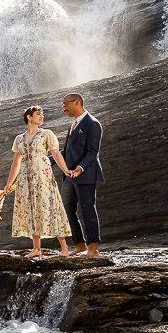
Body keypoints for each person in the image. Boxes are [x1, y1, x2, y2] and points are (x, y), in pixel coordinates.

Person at [4, 105, 73, 259]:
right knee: (31, 210)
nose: (42, 117)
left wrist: (66, 170)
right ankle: (36, 249)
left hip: (43, 177)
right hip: (25, 179)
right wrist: (9, 184)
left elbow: (55, 154)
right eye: (38, 114)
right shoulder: (19, 139)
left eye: (42, 114)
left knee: (51, 206)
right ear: (29, 117)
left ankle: (64, 247)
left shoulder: (47, 134)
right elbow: (16, 163)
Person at [60, 93, 104, 257]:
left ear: (76, 102)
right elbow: (65, 152)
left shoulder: (92, 123)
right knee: (67, 210)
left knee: (87, 209)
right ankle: (80, 245)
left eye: (65, 104)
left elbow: (92, 152)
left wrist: (80, 167)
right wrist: (43, 160)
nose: (63, 108)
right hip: (69, 176)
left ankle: (93, 247)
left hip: (85, 174)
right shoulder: (73, 124)